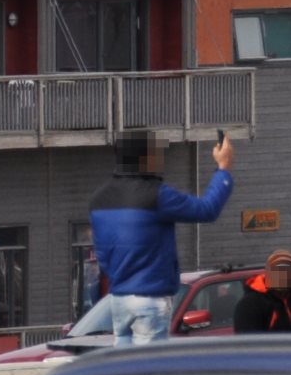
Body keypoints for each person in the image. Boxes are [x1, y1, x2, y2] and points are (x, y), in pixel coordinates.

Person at [88, 131, 235, 346]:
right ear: (145, 158)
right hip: (150, 298)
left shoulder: (98, 199)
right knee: (149, 369)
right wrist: (223, 169)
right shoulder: (157, 195)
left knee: (126, 370)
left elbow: (101, 253)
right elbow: (207, 210)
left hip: (118, 299)